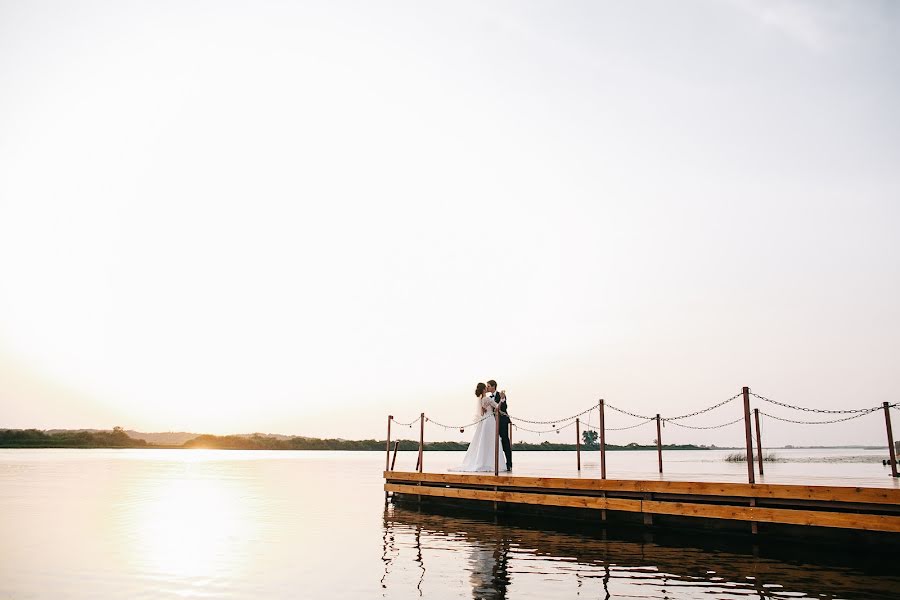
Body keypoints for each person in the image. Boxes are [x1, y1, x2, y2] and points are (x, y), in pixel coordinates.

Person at [451, 382, 500, 472]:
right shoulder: (487, 399)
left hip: (484, 420)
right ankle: (491, 462)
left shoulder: (481, 399)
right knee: (491, 440)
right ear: (484, 389)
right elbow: (497, 407)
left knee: (484, 441)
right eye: (486, 387)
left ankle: (483, 461)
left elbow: (481, 413)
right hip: (489, 420)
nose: (487, 388)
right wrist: (503, 399)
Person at [486, 380, 512, 471]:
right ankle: (494, 463)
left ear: (493, 386)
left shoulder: (500, 395)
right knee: (493, 443)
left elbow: (504, 408)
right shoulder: (488, 398)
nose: (487, 388)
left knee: (505, 442)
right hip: (492, 423)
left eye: (488, 386)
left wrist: (502, 399)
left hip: (502, 422)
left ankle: (509, 463)